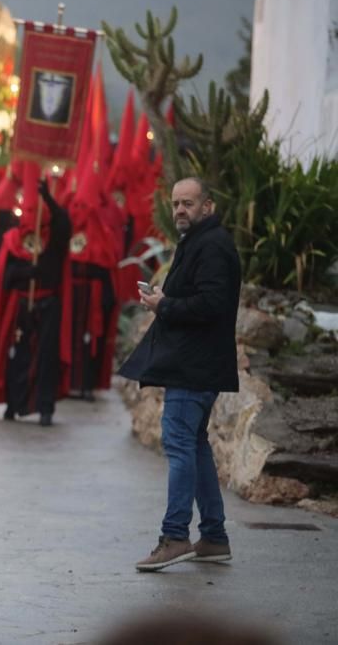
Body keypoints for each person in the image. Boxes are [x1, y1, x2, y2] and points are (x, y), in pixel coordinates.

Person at [119, 177, 241, 572]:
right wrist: (164, 302)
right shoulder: (201, 242)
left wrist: (165, 305)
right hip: (196, 364)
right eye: (176, 204)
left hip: (194, 367)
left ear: (209, 206)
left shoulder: (213, 246)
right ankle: (214, 537)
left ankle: (174, 537)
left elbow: (212, 303)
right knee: (195, 445)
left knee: (179, 446)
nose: (180, 211)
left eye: (189, 203)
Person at [0, 169, 72, 426]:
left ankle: (45, 407)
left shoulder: (54, 238)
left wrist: (48, 198)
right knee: (17, 355)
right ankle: (13, 403)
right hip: (20, 307)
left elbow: (64, 224)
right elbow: (6, 278)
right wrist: (27, 271)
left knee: (46, 357)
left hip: (48, 304)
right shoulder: (13, 240)